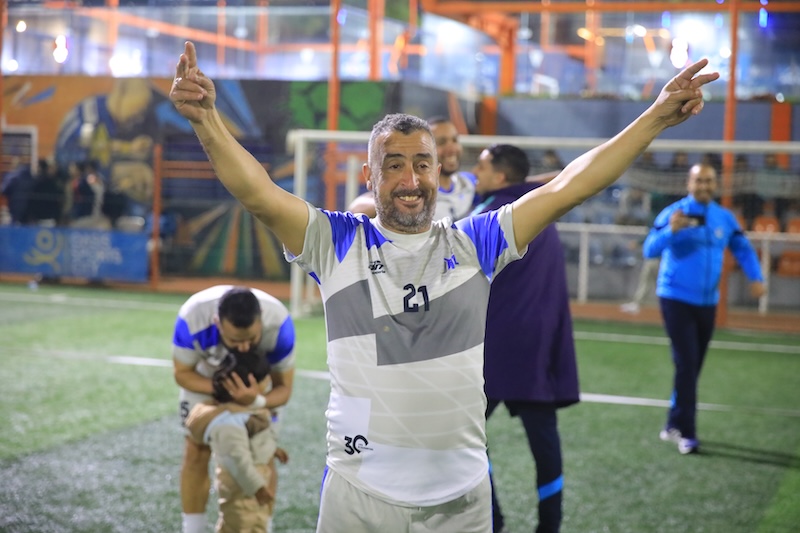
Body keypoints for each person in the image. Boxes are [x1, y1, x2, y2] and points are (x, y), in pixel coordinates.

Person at [170, 40, 716, 531]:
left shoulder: (476, 242)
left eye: (422, 164)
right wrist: (206, 120)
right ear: (370, 176)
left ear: (440, 173)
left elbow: (570, 186)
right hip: (358, 494)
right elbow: (259, 192)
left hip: (460, 500)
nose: (410, 180)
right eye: (393, 165)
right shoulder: (336, 242)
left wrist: (654, 118)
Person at [471, 144, 579, 533]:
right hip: (537, 350)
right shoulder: (544, 209)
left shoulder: (487, 216)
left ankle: (493, 518)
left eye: (481, 166)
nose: (475, 172)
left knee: (463, 435)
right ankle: (549, 525)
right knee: (545, 446)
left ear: (500, 176)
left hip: (490, 351)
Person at [643, 162, 765, 455]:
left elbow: (743, 248)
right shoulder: (673, 214)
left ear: (715, 185)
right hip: (675, 298)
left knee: (693, 366)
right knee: (686, 364)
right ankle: (687, 433)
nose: (704, 186)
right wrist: (671, 231)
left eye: (708, 181)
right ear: (688, 184)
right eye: (698, 181)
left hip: (708, 303)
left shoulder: (725, 218)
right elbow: (649, 249)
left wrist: (756, 277)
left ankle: (673, 422)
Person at [172, 285, 296, 533]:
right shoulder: (193, 318)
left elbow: (283, 389)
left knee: (262, 453)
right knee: (196, 450)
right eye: (235, 340)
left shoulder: (279, 325)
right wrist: (225, 391)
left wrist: (255, 401)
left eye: (252, 339)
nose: (244, 347)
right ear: (216, 323)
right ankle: (193, 529)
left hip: (257, 384)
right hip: (207, 378)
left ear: (261, 319)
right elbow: (182, 374)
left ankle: (263, 526)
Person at [185, 350, 290, 533]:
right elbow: (236, 459)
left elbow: (251, 442)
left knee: (254, 524)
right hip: (241, 486)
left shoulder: (241, 412)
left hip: (251, 480)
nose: (268, 383)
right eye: (264, 380)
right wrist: (256, 487)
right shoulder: (228, 423)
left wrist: (271, 449)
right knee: (240, 525)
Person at [346, 116, 477, 220]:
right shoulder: (415, 189)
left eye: (454, 140)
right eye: (442, 142)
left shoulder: (468, 182)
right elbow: (357, 208)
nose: (452, 149)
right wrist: (399, 200)